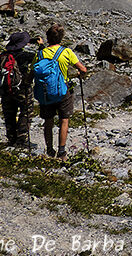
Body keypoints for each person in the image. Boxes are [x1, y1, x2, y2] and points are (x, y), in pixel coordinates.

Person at [36, 23, 88, 160]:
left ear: (48, 38)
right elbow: (83, 69)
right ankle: (62, 152)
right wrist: (78, 75)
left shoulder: (41, 53)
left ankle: (49, 149)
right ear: (61, 37)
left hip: (46, 91)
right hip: (63, 90)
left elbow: (33, 71)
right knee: (64, 120)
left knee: (48, 121)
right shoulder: (66, 52)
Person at [0, 31, 41, 149]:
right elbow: (42, 57)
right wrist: (40, 45)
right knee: (26, 111)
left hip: (5, 89)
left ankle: (11, 138)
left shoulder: (3, 55)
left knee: (9, 113)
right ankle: (22, 139)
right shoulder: (24, 56)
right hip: (21, 88)